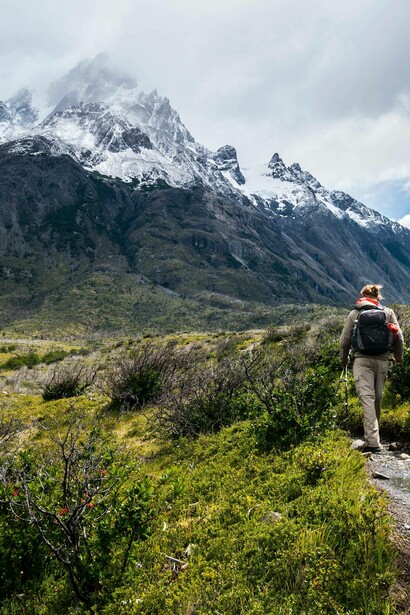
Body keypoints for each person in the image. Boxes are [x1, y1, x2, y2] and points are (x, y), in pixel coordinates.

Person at [339, 284, 403, 453]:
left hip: (362, 360)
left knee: (367, 398)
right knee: (378, 397)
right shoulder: (387, 312)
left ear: (362, 296)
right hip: (383, 360)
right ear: (378, 297)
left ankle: (373, 442)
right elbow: (399, 337)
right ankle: (374, 436)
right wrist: (398, 357)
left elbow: (344, 341)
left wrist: (344, 360)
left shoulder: (354, 313)